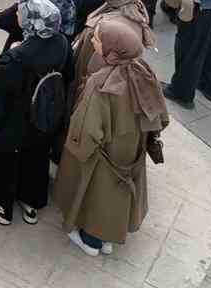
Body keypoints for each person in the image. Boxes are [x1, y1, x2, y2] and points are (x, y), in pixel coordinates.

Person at [54, 16, 169, 255]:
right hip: (131, 150)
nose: (94, 42)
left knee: (97, 193)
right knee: (117, 194)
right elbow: (160, 115)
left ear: (113, 50)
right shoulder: (143, 72)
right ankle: (106, 240)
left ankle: (91, 241)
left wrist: (74, 154)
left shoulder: (101, 82)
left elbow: (86, 130)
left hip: (102, 153)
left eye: (98, 39)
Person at [0, 0, 69, 226]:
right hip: (42, 116)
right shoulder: (61, 43)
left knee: (3, 158)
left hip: (12, 115)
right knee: (34, 157)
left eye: (20, 13)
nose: (17, 15)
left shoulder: (20, 55)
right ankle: (30, 203)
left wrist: (10, 53)